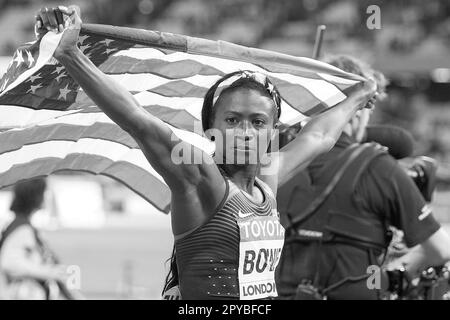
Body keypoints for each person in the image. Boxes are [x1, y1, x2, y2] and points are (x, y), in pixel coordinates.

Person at [34, 6, 376, 299]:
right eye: (232, 120)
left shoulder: (266, 184)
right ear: (211, 127)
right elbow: (138, 120)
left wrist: (358, 97)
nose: (244, 132)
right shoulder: (201, 180)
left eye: (258, 122)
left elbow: (318, 137)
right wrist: (71, 54)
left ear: (274, 131)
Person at [275, 55, 450, 300]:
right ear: (357, 109)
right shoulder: (378, 166)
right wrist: (395, 275)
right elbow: (441, 248)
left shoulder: (275, 162)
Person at [0, 178, 72, 300]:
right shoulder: (22, 229)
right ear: (36, 196)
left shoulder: (20, 225)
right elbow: (10, 263)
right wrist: (49, 272)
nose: (47, 197)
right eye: (45, 192)